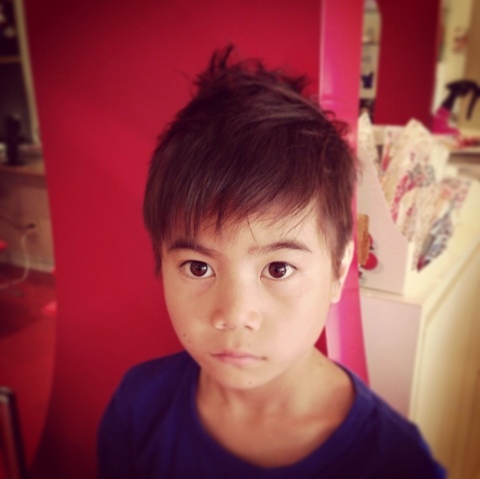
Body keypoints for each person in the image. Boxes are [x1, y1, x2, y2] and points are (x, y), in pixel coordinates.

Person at [97, 46, 445, 478]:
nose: (234, 315)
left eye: (278, 269)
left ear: (339, 268)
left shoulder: (398, 464)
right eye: (198, 267)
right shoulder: (137, 407)